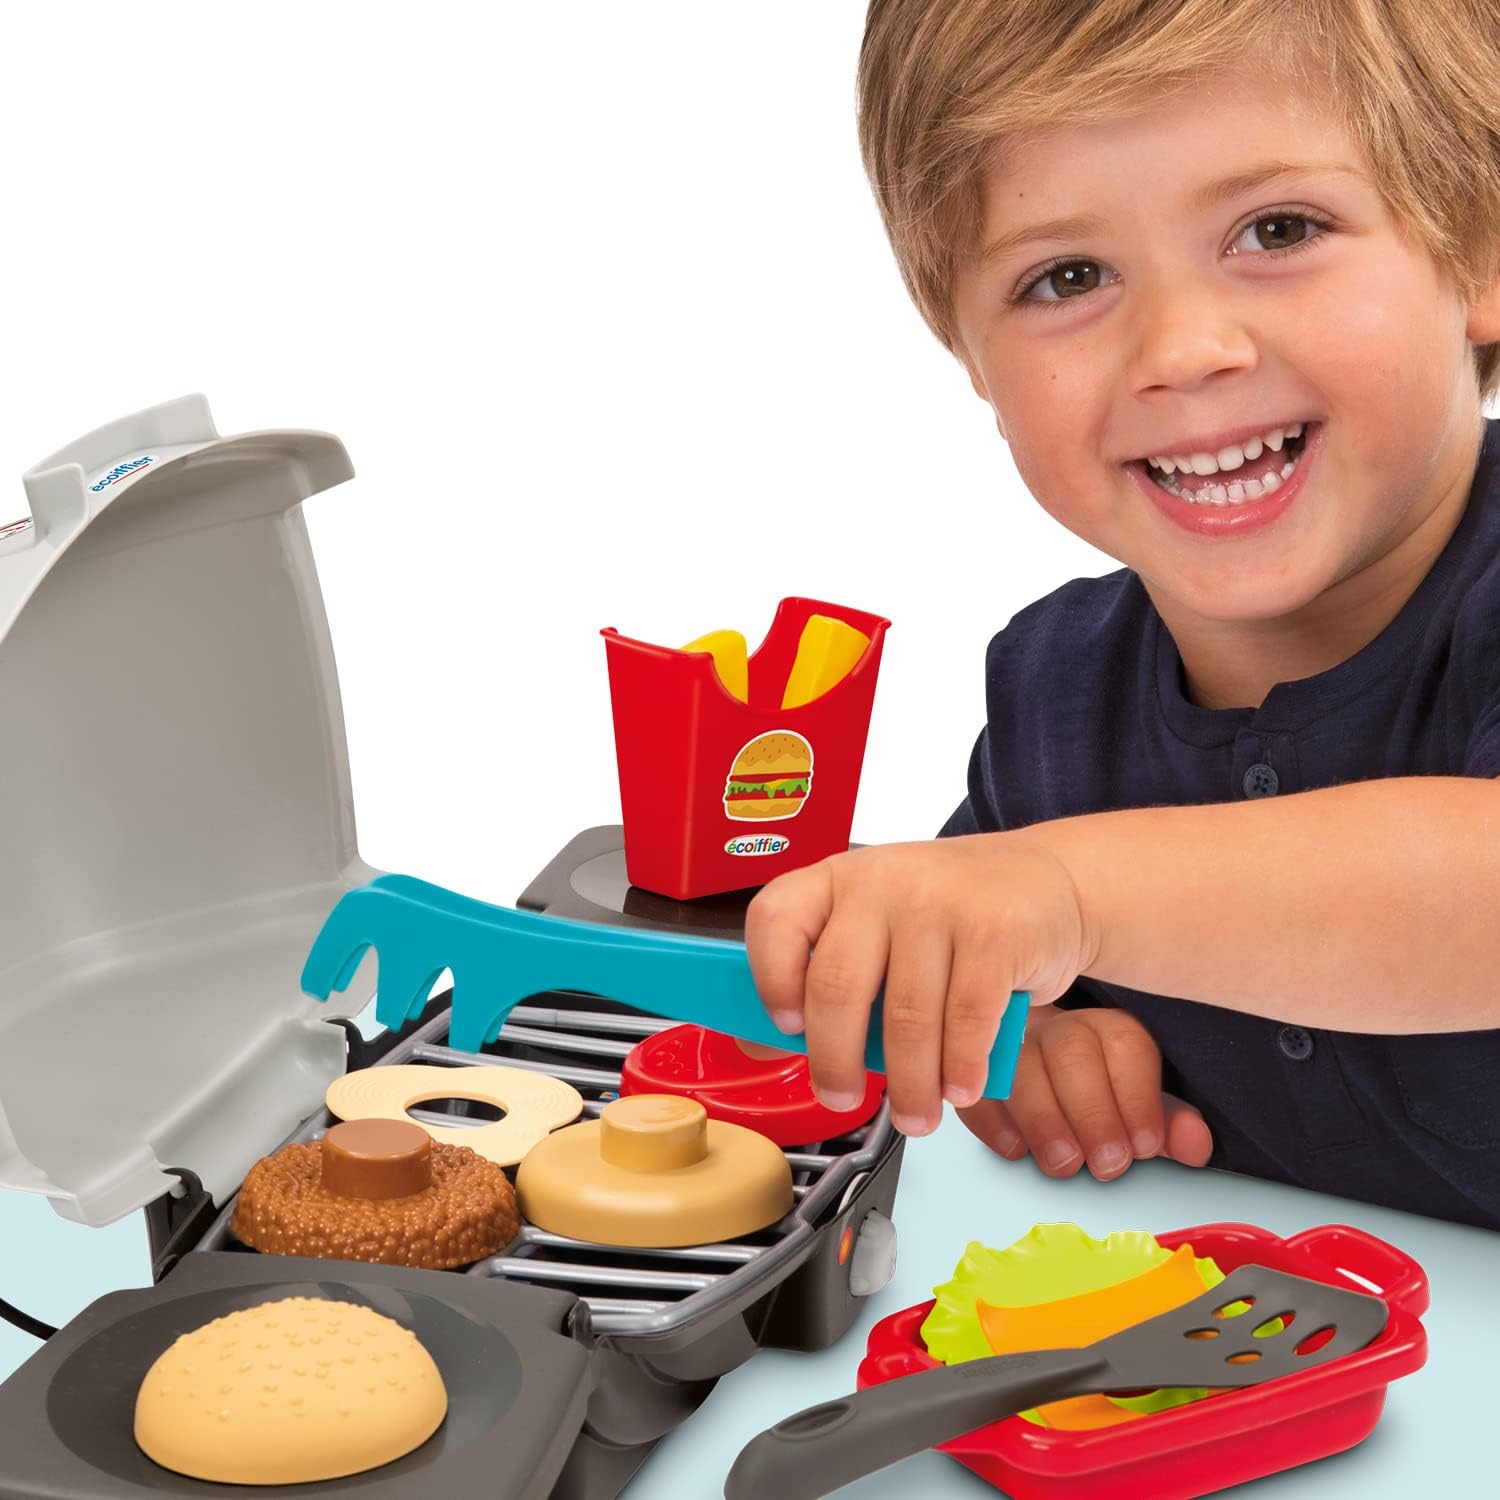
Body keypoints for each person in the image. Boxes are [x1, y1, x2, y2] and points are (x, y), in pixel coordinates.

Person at [743, 0, 1500, 1230]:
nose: (1182, 349)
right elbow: (993, 938)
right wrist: (1024, 1038)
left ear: (1479, 251)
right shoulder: (1052, 690)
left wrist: (1068, 894)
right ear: (969, 357)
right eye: (1068, 277)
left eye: (1279, 229)